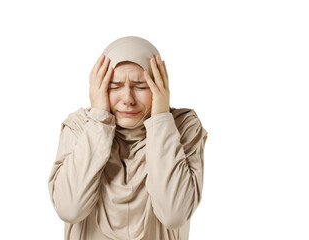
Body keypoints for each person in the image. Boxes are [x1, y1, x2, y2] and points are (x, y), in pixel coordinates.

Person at [48, 36, 208, 240]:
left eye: (141, 86)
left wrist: (160, 118)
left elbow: (174, 213)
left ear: (160, 85)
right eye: (114, 86)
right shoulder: (80, 126)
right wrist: (98, 120)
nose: (128, 99)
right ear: (99, 87)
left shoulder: (182, 126)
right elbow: (69, 209)